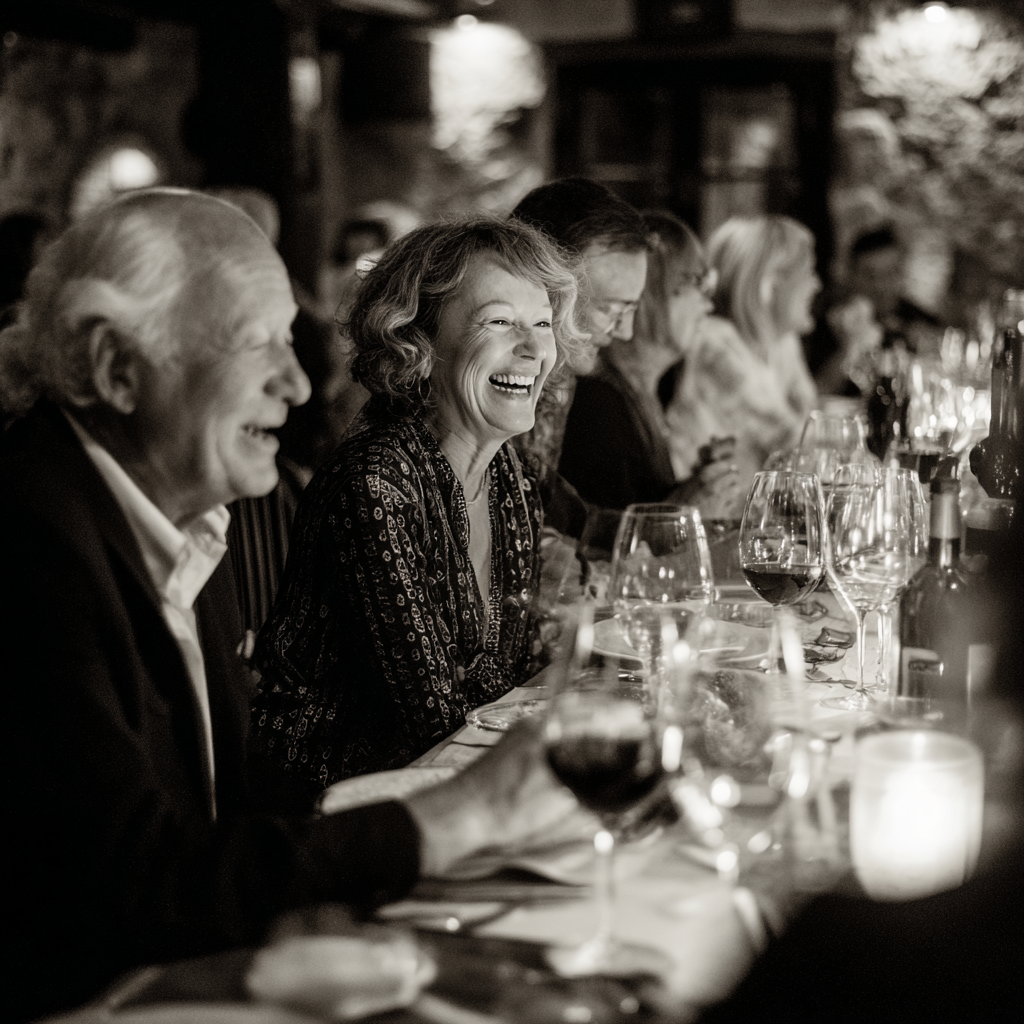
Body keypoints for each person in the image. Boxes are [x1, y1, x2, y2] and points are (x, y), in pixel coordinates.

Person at [0, 190, 579, 1024]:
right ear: (116, 368)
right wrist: (444, 818)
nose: (298, 383)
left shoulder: (183, 523)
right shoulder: (30, 544)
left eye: (289, 338)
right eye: (253, 344)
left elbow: (229, 803)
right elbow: (130, 883)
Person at [251, 219, 588, 791]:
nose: (534, 349)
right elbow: (434, 720)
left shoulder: (509, 476)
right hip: (337, 816)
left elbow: (509, 681)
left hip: (449, 791)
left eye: (543, 324)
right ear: (419, 344)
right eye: (500, 322)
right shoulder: (376, 485)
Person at [510, 178, 736, 533]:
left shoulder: (560, 382)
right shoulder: (486, 388)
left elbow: (557, 520)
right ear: (543, 290)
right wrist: (672, 520)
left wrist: (675, 513)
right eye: (611, 308)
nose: (625, 332)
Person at [558, 209, 739, 516]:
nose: (708, 304)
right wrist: (681, 512)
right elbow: (595, 542)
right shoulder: (597, 404)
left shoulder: (645, 390)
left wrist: (697, 488)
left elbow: (634, 504)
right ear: (654, 292)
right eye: (699, 283)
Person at [666, 215, 821, 493]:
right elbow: (795, 444)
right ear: (770, 284)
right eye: (808, 273)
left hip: (751, 515)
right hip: (706, 522)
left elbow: (811, 418)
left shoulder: (780, 342)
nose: (816, 285)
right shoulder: (714, 344)